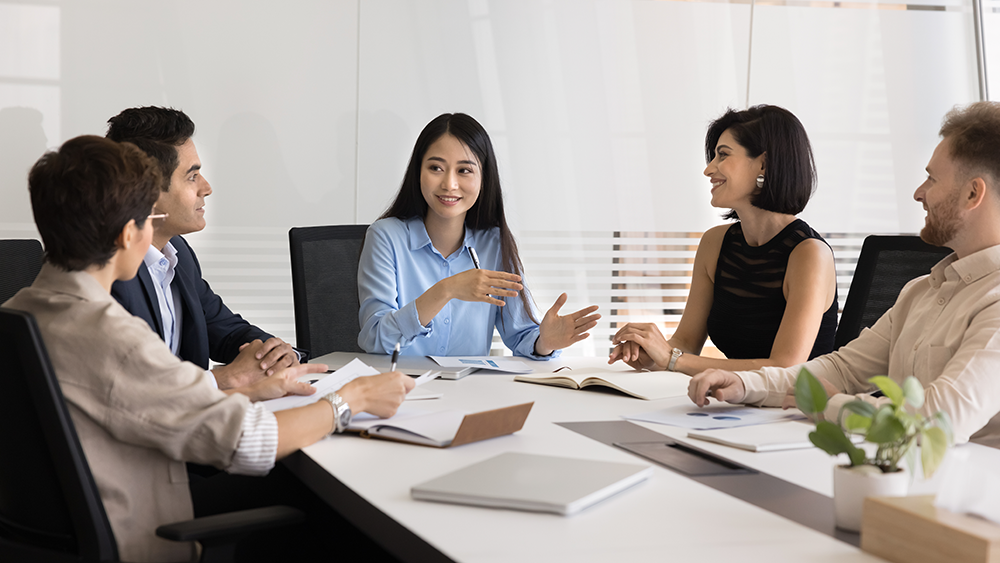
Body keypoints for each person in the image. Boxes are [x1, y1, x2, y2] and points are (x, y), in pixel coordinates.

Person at [4, 135, 414, 561]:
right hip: (141, 530)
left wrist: (248, 391)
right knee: (331, 509)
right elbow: (251, 442)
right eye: (148, 218)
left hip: (61, 535)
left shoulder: (21, 310)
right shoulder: (114, 336)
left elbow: (133, 400)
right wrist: (352, 398)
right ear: (129, 235)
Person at [688, 101, 1000, 447]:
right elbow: (842, 368)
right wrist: (746, 385)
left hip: (970, 476)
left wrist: (832, 405)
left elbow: (941, 421)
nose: (919, 193)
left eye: (932, 178)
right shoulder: (920, 292)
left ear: (973, 193)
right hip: (896, 468)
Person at [609, 105, 838, 376]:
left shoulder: (809, 254)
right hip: (735, 398)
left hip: (797, 402)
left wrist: (672, 359)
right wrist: (652, 353)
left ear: (763, 164)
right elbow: (686, 343)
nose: (708, 170)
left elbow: (784, 368)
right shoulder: (714, 243)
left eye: (723, 155)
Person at [358, 112, 600, 358]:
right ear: (418, 172)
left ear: (483, 178)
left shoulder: (494, 243)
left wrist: (545, 342)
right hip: (400, 381)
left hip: (470, 383)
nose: (449, 184)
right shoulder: (386, 237)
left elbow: (521, 335)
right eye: (436, 168)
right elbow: (375, 338)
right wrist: (446, 290)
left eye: (464, 170)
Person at [106, 106, 295, 391]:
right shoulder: (108, 268)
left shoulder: (177, 252)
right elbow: (129, 386)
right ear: (147, 191)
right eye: (192, 176)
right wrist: (225, 379)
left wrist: (275, 353)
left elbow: (223, 328)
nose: (206, 188)